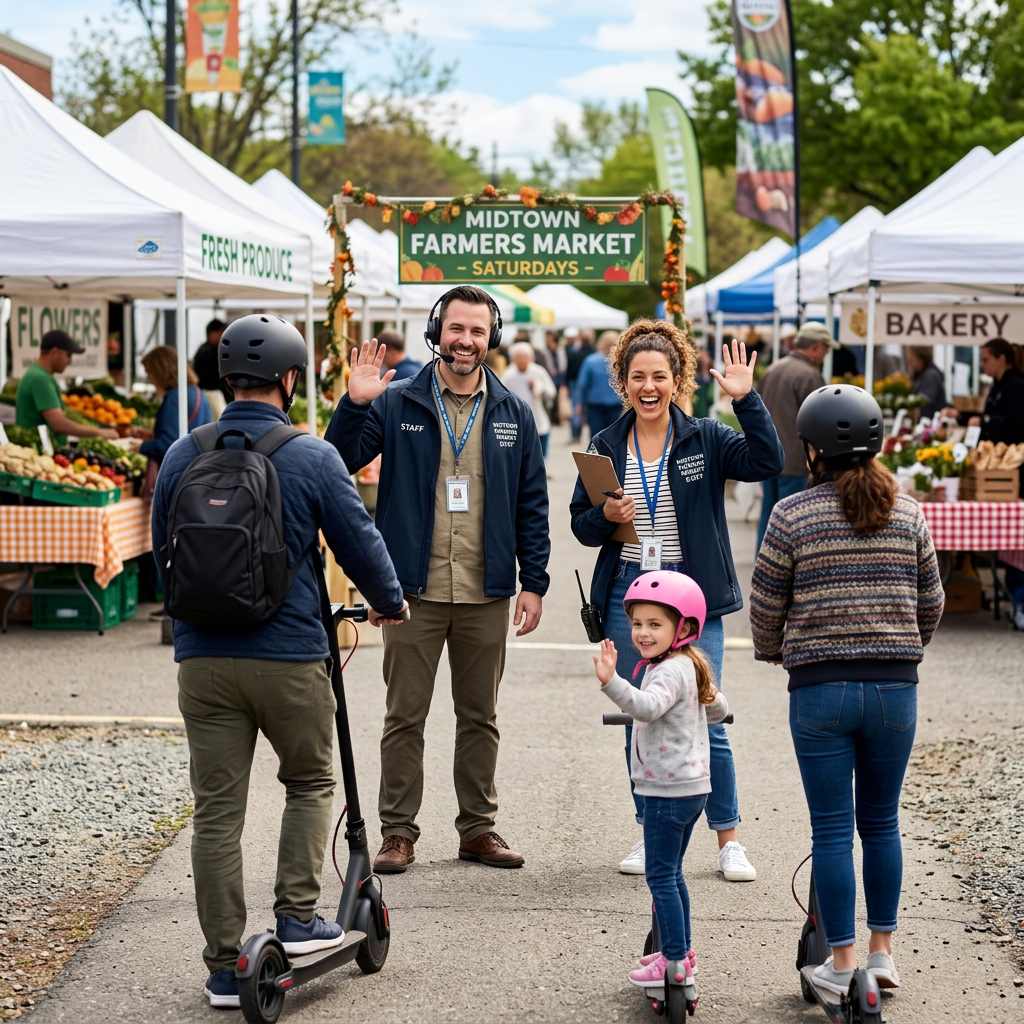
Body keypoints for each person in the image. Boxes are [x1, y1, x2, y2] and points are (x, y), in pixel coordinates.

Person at [151, 315, 407, 1009]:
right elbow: (358, 538)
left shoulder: (181, 453)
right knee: (309, 782)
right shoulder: (310, 453)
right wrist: (389, 601)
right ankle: (297, 921)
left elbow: (159, 549)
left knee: (217, 812)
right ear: (290, 379)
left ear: (223, 377)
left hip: (202, 660)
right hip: (290, 654)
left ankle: (221, 965)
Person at [325, 285, 551, 873]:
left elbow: (533, 502)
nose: (466, 342)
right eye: (457, 329)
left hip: (486, 588)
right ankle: (398, 832)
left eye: (478, 331)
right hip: (410, 592)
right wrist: (354, 404)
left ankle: (478, 828)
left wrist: (536, 581)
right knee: (405, 716)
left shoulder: (512, 411)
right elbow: (335, 459)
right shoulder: (395, 403)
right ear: (438, 330)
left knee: (481, 716)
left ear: (492, 337)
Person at [570, 319, 784, 880]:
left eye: (659, 376)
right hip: (628, 595)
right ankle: (650, 833)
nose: (649, 386)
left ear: (677, 379)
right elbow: (581, 528)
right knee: (641, 716)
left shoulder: (705, 437)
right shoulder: (604, 445)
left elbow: (767, 462)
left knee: (706, 716)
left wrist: (747, 400)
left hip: (693, 599)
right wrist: (604, 516)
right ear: (622, 380)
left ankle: (728, 839)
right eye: (637, 375)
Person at [750, 383, 944, 998]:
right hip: (895, 693)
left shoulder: (791, 514)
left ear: (811, 449)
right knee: (882, 824)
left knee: (831, 830)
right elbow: (931, 602)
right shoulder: (909, 512)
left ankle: (840, 964)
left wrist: (776, 650)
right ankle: (883, 955)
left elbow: (765, 604)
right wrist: (899, 648)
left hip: (819, 692)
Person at [594, 571, 729, 989]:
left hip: (666, 792)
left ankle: (673, 960)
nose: (642, 633)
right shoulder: (691, 664)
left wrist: (610, 681)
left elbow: (647, 708)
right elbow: (718, 708)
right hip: (693, 790)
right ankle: (681, 950)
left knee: (659, 876)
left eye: (655, 624)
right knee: (673, 874)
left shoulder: (668, 671)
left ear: (683, 628)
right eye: (637, 623)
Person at [755, 322, 840, 549]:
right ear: (815, 347)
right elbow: (820, 421)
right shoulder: (810, 375)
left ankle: (762, 568)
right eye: (825, 349)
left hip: (768, 457)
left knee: (768, 519)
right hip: (795, 461)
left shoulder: (773, 369)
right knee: (794, 523)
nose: (825, 355)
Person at [14, 330, 119, 445]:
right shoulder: (40, 379)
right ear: (55, 352)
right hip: (40, 450)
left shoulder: (38, 374)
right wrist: (99, 432)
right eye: (68, 355)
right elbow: (58, 424)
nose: (70, 361)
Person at [130, 346, 212, 465]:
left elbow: (168, 443)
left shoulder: (174, 397)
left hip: (180, 469)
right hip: (196, 465)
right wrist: (154, 434)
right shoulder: (198, 392)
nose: (149, 379)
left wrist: (142, 446)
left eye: (149, 372)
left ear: (161, 371)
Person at [941, 338, 1024, 444]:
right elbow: (988, 416)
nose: (982, 365)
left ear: (1001, 359)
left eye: (986, 360)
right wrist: (959, 415)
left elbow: (1015, 425)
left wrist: (984, 423)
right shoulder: (998, 385)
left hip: (1009, 455)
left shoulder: (1017, 385)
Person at [502, 341, 557, 457]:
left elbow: (552, 392)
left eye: (525, 356)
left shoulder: (538, 371)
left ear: (531, 358)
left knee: (540, 454)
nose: (522, 360)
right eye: (518, 357)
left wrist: (539, 386)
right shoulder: (508, 375)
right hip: (515, 420)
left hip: (538, 417)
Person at [576, 330, 622, 439]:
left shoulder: (590, 361)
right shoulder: (621, 361)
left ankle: (596, 456)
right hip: (615, 404)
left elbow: (582, 384)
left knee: (596, 436)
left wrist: (579, 402)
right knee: (614, 436)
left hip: (595, 404)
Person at [191, 318, 230, 417]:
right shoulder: (204, 352)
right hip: (209, 397)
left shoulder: (225, 350)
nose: (221, 336)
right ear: (210, 334)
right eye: (218, 333)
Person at [564, 327, 595, 441]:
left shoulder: (575, 354)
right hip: (591, 385)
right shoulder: (594, 353)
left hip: (575, 383)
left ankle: (576, 434)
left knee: (576, 408)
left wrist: (566, 384)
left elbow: (569, 370)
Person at [905, 346, 947, 420]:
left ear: (920, 360)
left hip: (930, 422)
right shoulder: (919, 375)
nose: (909, 363)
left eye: (911, 360)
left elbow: (926, 403)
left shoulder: (930, 376)